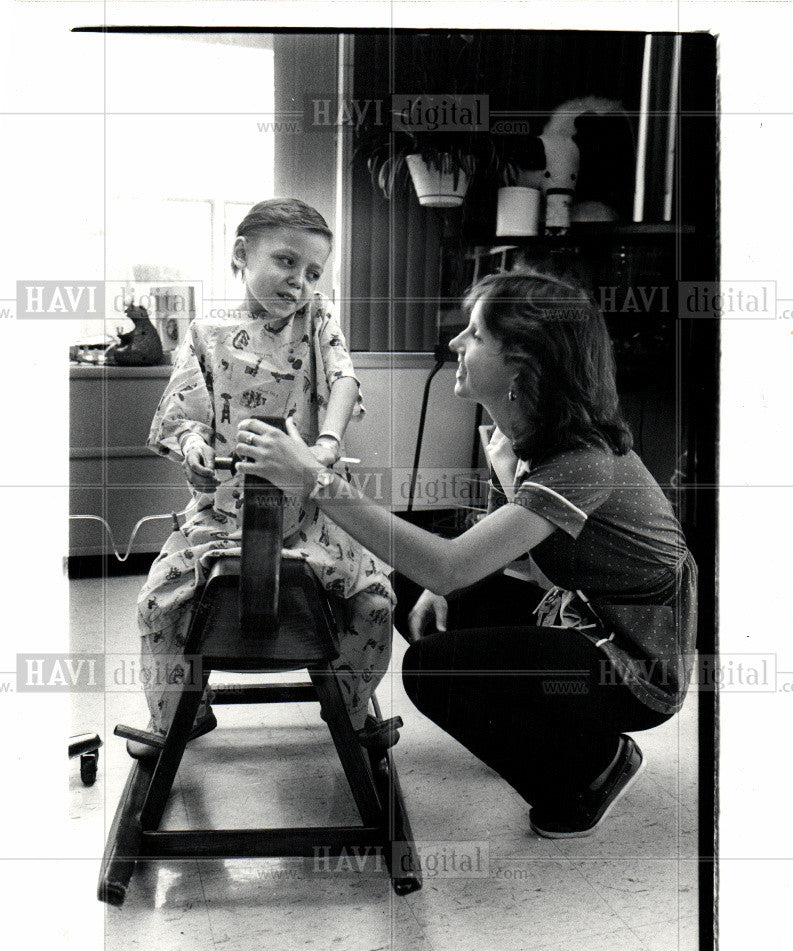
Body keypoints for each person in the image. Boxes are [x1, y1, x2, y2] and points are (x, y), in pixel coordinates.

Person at [239, 269, 698, 839]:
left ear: (524, 364)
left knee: (437, 669)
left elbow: (449, 563)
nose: (457, 344)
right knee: (412, 593)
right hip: (578, 612)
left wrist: (313, 479)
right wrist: (441, 583)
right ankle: (550, 730)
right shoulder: (521, 437)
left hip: (635, 662)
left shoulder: (585, 460)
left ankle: (593, 767)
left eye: (476, 334)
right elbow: (487, 559)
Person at [133, 198, 395, 756]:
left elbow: (345, 379)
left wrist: (326, 442)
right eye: (285, 262)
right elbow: (181, 418)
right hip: (222, 518)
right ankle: (180, 715)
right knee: (157, 603)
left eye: (313, 273)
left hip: (307, 519)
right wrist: (194, 446)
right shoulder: (207, 334)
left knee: (375, 600)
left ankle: (350, 711)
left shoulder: (317, 319)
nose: (299, 282)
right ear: (240, 256)